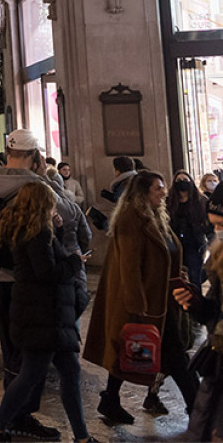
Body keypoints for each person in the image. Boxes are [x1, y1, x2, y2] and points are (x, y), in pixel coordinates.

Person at [0, 129, 83, 441]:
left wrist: (0, 261)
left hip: (0, 279)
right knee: (35, 354)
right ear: (34, 156)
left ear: (7, 152)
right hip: (34, 285)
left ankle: (10, 420)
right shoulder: (40, 187)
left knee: (12, 350)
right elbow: (70, 219)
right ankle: (18, 418)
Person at [82, 170, 199, 425]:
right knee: (172, 355)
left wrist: (181, 276)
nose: (164, 192)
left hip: (163, 299)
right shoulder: (130, 219)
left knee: (135, 352)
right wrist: (137, 307)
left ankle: (111, 398)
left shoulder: (155, 216)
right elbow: (130, 267)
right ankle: (198, 410)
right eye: (158, 188)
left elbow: (167, 253)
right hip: (146, 303)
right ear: (143, 191)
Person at [173, 188, 223, 441]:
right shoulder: (218, 262)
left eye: (222, 225)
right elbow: (217, 312)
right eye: (214, 226)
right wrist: (195, 304)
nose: (218, 233)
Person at [168, 169, 210, 289]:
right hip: (175, 241)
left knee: (194, 275)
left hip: (194, 242)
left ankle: (196, 302)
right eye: (179, 180)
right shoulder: (169, 202)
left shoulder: (201, 201)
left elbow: (207, 222)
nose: (182, 182)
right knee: (178, 274)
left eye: (185, 180)